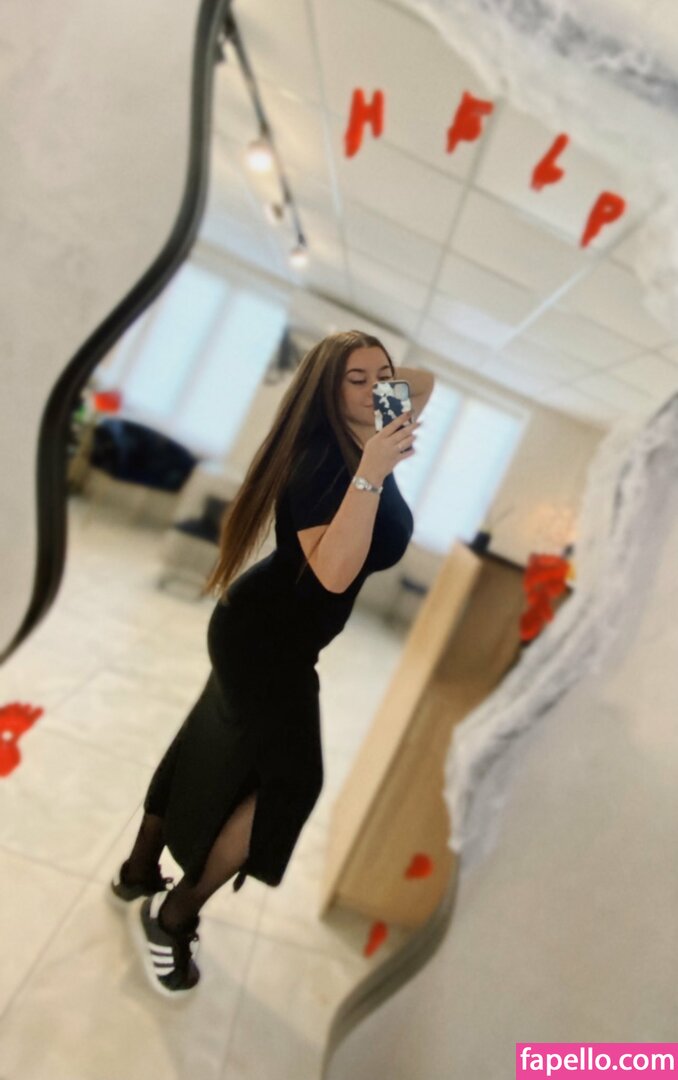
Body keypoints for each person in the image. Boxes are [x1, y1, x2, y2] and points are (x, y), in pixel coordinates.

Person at [109, 329, 433, 997]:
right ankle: (172, 918)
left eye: (384, 375)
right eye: (356, 380)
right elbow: (335, 576)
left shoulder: (364, 433)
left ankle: (138, 872)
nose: (380, 388)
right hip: (265, 642)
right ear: (324, 393)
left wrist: (370, 382)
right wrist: (372, 469)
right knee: (292, 780)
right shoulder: (323, 462)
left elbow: (419, 382)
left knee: (206, 739)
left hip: (269, 631)